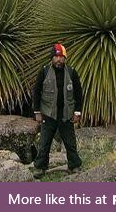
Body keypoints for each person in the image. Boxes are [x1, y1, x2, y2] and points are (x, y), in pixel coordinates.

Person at [32, 43, 83, 177]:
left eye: (61, 57)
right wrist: (37, 112)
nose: (59, 60)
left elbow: (79, 93)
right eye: (56, 57)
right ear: (52, 58)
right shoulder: (44, 72)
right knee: (44, 143)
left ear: (65, 58)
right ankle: (40, 167)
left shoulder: (72, 72)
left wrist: (77, 112)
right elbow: (36, 92)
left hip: (66, 115)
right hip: (48, 114)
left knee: (70, 143)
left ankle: (74, 166)